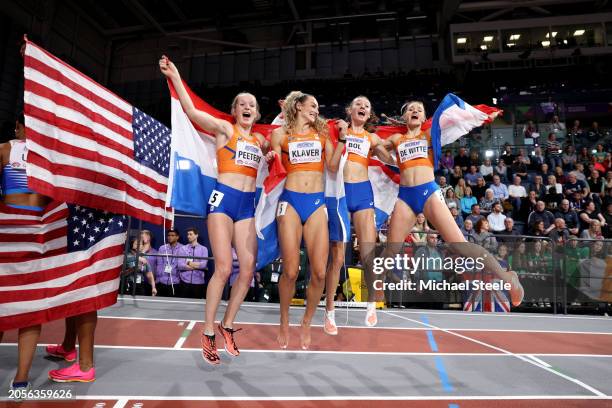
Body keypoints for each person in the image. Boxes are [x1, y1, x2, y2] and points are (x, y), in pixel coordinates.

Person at [160, 56, 273, 364]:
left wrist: (272, 151)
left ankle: (227, 325)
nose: (247, 106)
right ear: (234, 111)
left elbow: (273, 147)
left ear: (257, 112)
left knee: (248, 270)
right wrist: (176, 77)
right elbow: (193, 112)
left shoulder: (260, 139)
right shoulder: (225, 129)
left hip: (246, 206)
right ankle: (208, 330)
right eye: (241, 103)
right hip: (223, 201)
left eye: (252, 104)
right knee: (223, 268)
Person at [380, 100, 523, 307]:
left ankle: (507, 276)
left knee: (460, 247)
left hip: (428, 192)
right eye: (410, 109)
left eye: (419, 109)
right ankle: (374, 297)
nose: (415, 111)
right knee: (390, 250)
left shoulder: (429, 135)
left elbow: (455, 122)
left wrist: (480, 116)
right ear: (404, 117)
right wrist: (384, 155)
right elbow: (373, 148)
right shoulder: (396, 138)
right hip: (405, 196)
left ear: (423, 117)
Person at [271, 91, 344, 349]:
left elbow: (333, 167)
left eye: (318, 106)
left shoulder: (323, 135)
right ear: (299, 106)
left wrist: (343, 140)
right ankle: (283, 320)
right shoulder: (282, 134)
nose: (316, 109)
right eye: (312, 104)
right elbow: (270, 149)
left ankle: (306, 322)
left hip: (316, 203)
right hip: (290, 201)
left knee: (319, 272)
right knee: (290, 270)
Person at [325, 96, 393, 333]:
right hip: (341, 193)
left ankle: (371, 306)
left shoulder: (371, 137)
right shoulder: (336, 129)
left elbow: (387, 157)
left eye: (367, 105)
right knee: (338, 256)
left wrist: (394, 156)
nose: (363, 106)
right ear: (348, 109)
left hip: (363, 193)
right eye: (358, 104)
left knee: (368, 253)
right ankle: (330, 311)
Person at [177, 227, 209, 299]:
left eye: (191, 234)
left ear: (196, 235)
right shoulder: (183, 248)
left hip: (198, 283)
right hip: (184, 282)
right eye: (188, 234)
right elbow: (180, 265)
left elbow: (203, 265)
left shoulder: (203, 249)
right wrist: (196, 265)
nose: (188, 236)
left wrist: (187, 262)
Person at [155, 229, 182, 297]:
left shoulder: (182, 248)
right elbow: (159, 264)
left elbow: (182, 264)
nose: (170, 237)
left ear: (177, 237)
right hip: (161, 282)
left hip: (175, 282)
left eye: (172, 235)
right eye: (169, 235)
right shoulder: (162, 248)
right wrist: (159, 278)